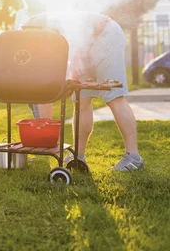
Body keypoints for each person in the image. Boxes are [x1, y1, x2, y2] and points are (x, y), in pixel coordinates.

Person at [23, 12, 144, 171]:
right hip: (88, 44)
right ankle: (78, 155)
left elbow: (79, 38)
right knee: (81, 100)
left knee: (114, 97)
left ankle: (133, 157)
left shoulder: (56, 25)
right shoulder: (46, 38)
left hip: (105, 34)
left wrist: (77, 58)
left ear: (38, 28)